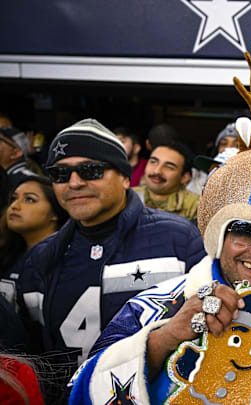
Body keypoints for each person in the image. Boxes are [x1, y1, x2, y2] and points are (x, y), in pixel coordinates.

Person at [69, 144, 251, 403]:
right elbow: (81, 389)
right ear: (220, 235)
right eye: (245, 232)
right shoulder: (154, 305)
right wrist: (164, 339)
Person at [15, 119, 206, 396]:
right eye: (60, 174)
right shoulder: (39, 258)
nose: (75, 182)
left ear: (125, 177)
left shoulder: (179, 239)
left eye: (90, 170)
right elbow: (32, 358)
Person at [0, 176, 69, 307]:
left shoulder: (62, 261)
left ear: (55, 213)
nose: (15, 206)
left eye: (30, 199)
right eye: (14, 199)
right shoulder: (11, 253)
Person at [132, 141, 200, 221]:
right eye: (153, 162)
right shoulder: (128, 197)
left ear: (185, 177)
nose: (157, 171)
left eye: (169, 167)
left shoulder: (196, 207)